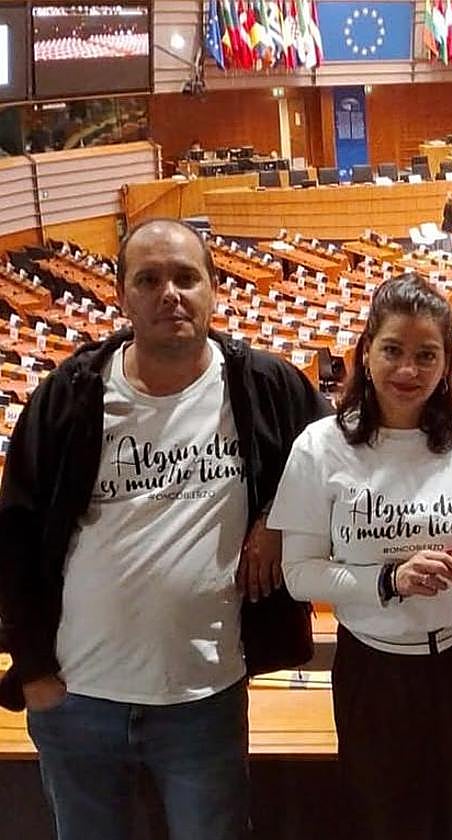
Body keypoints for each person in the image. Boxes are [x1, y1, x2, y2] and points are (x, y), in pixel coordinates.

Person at [0, 218, 327, 840]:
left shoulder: (264, 387)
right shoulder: (68, 395)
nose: (168, 294)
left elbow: (334, 465)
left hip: (204, 698)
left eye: (185, 277)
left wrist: (275, 520)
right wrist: (36, 671)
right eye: (148, 280)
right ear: (121, 295)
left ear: (213, 289)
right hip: (77, 697)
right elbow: (14, 537)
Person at [269, 275, 452, 840]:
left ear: (447, 361)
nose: (407, 371)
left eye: (425, 355)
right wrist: (389, 579)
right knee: (385, 821)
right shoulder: (321, 446)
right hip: (375, 673)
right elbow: (297, 573)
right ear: (366, 351)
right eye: (392, 351)